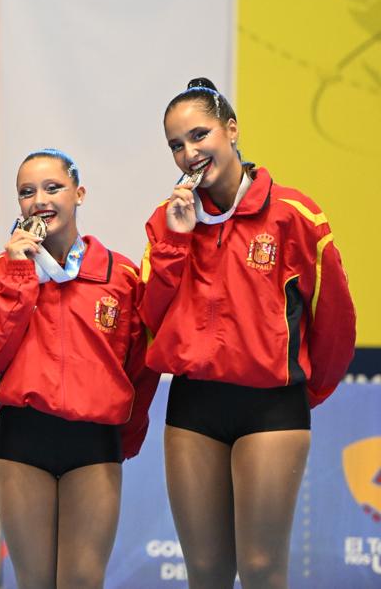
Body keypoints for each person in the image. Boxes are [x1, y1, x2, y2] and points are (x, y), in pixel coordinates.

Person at [140, 78, 356, 588]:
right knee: (207, 573)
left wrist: (301, 389)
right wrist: (175, 239)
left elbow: (336, 321)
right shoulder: (167, 220)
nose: (189, 152)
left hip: (272, 407)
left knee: (260, 569)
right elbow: (151, 316)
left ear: (231, 130)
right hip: (194, 408)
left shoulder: (294, 215)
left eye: (199, 135)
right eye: (176, 145)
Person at [0, 149, 158, 589]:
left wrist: (127, 435)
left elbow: (141, 370)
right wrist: (19, 277)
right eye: (27, 192)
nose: (39, 200)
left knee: (83, 581)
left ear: (79, 193)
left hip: (95, 444)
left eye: (53, 187)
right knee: (34, 581)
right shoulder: (1, 272)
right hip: (22, 442)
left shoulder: (121, 276)